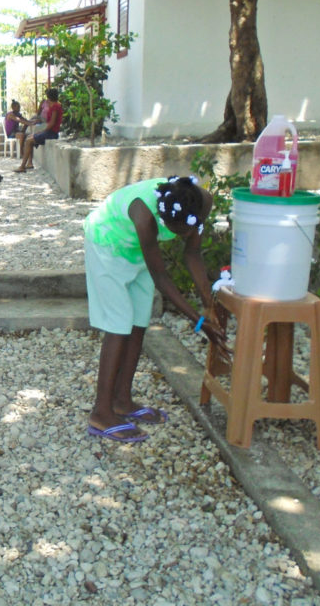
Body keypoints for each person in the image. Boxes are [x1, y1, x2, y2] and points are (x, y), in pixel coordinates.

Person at [83, 176, 227, 443]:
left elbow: (192, 254)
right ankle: (101, 412)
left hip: (137, 251)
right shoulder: (145, 216)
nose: (181, 236)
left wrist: (208, 305)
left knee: (139, 322)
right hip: (107, 243)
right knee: (118, 324)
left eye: (184, 230)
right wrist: (198, 321)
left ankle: (122, 401)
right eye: (174, 230)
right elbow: (162, 278)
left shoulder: (200, 201)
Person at [15, 87, 63, 173]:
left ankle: (23, 166)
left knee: (29, 140)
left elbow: (51, 123)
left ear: (49, 97)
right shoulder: (55, 106)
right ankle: (29, 163)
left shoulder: (55, 107)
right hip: (50, 131)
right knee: (30, 137)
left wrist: (42, 131)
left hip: (52, 133)